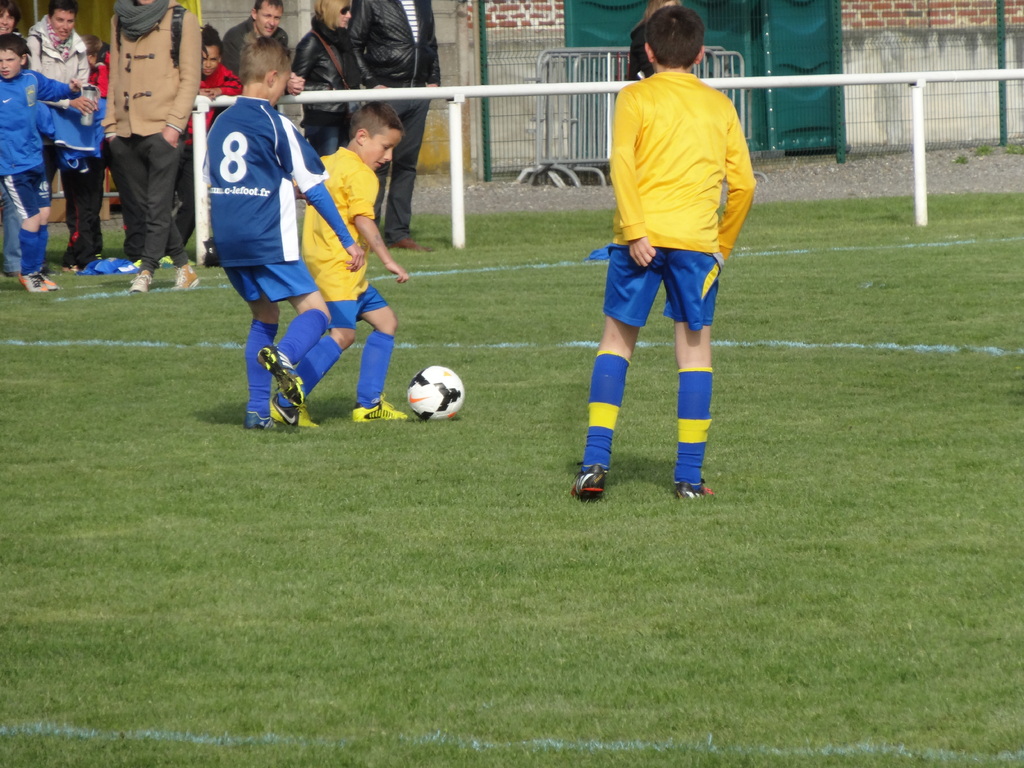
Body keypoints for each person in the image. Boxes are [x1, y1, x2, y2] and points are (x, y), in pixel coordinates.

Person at [571, 6, 756, 502]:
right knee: (694, 353)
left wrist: (635, 230)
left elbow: (621, 162)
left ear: (648, 51)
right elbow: (744, 185)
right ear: (701, 54)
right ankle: (688, 478)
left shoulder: (634, 97)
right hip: (697, 245)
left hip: (641, 240)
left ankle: (594, 465)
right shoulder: (719, 105)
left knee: (616, 344)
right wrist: (722, 245)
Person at [204, 35, 364, 430]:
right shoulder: (276, 124)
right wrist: (347, 240)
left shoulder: (219, 124)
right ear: (273, 78)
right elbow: (315, 189)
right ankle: (285, 357)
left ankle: (257, 412)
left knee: (265, 315)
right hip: (267, 237)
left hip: (228, 240)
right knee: (318, 313)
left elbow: (214, 179)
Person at [292, 102, 409, 427]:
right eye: (385, 147)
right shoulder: (362, 174)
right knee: (343, 334)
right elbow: (363, 220)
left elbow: (298, 191)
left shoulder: (325, 163)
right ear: (362, 136)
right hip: (340, 268)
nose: (388, 156)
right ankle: (287, 400)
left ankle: (369, 404)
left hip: (326, 266)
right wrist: (388, 259)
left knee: (386, 322)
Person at [104, 0, 201, 294]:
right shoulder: (119, 18)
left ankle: (146, 270)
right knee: (146, 207)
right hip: (125, 130)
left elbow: (190, 77)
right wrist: (111, 126)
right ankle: (184, 267)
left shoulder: (182, 19)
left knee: (157, 206)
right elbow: (115, 75)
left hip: (163, 129)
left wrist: (174, 126)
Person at [349, 0, 438, 252]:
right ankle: (369, 232)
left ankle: (398, 234)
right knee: (376, 164)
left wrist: (434, 79)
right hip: (387, 91)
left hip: (418, 93)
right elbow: (353, 43)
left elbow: (430, 43)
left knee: (406, 166)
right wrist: (371, 82)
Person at [0, 32, 77, 291]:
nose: (4, 65)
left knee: (43, 215)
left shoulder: (31, 79)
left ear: (22, 59)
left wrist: (71, 89)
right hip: (13, 167)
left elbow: (52, 89)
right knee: (31, 218)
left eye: (9, 59)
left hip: (35, 160)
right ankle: (28, 273)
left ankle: (37, 271)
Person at [26, 0, 99, 271]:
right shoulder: (34, 42)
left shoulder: (79, 46)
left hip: (70, 132)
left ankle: (79, 257)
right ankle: (36, 260)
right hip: (41, 133)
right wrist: (69, 99)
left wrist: (87, 95)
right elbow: (34, 88)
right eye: (60, 20)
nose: (65, 26)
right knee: (40, 199)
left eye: (70, 21)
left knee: (79, 197)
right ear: (49, 18)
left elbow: (84, 85)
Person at [173, 23, 241, 252]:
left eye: (213, 59)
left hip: (197, 149)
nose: (208, 64)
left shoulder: (223, 75)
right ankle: (154, 248)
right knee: (161, 201)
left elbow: (238, 85)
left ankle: (173, 250)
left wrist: (221, 91)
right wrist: (193, 93)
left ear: (220, 58)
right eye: (203, 59)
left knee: (193, 201)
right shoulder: (182, 72)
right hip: (173, 141)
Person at [292, 0, 361, 157]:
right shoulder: (311, 42)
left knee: (344, 167)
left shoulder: (342, 39)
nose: (349, 16)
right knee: (325, 168)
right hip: (323, 120)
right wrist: (326, 89)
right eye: (344, 11)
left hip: (345, 116)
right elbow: (293, 83)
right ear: (332, 11)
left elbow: (353, 76)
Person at [221, 0, 304, 95]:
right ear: (254, 14)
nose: (272, 23)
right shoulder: (234, 37)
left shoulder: (280, 37)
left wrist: (290, 82)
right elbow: (235, 78)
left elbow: (282, 71)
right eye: (267, 16)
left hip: (270, 99)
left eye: (277, 18)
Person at [0, 0, 23, 277]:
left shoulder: (21, 48)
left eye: (9, 16)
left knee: (14, 203)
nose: (4, 20)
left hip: (12, 143)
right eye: (0, 15)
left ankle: (14, 264)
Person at [627, 0, 680, 80]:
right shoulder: (643, 35)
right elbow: (649, 71)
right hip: (649, 85)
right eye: (666, 10)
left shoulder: (678, 34)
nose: (670, 15)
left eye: (674, 10)